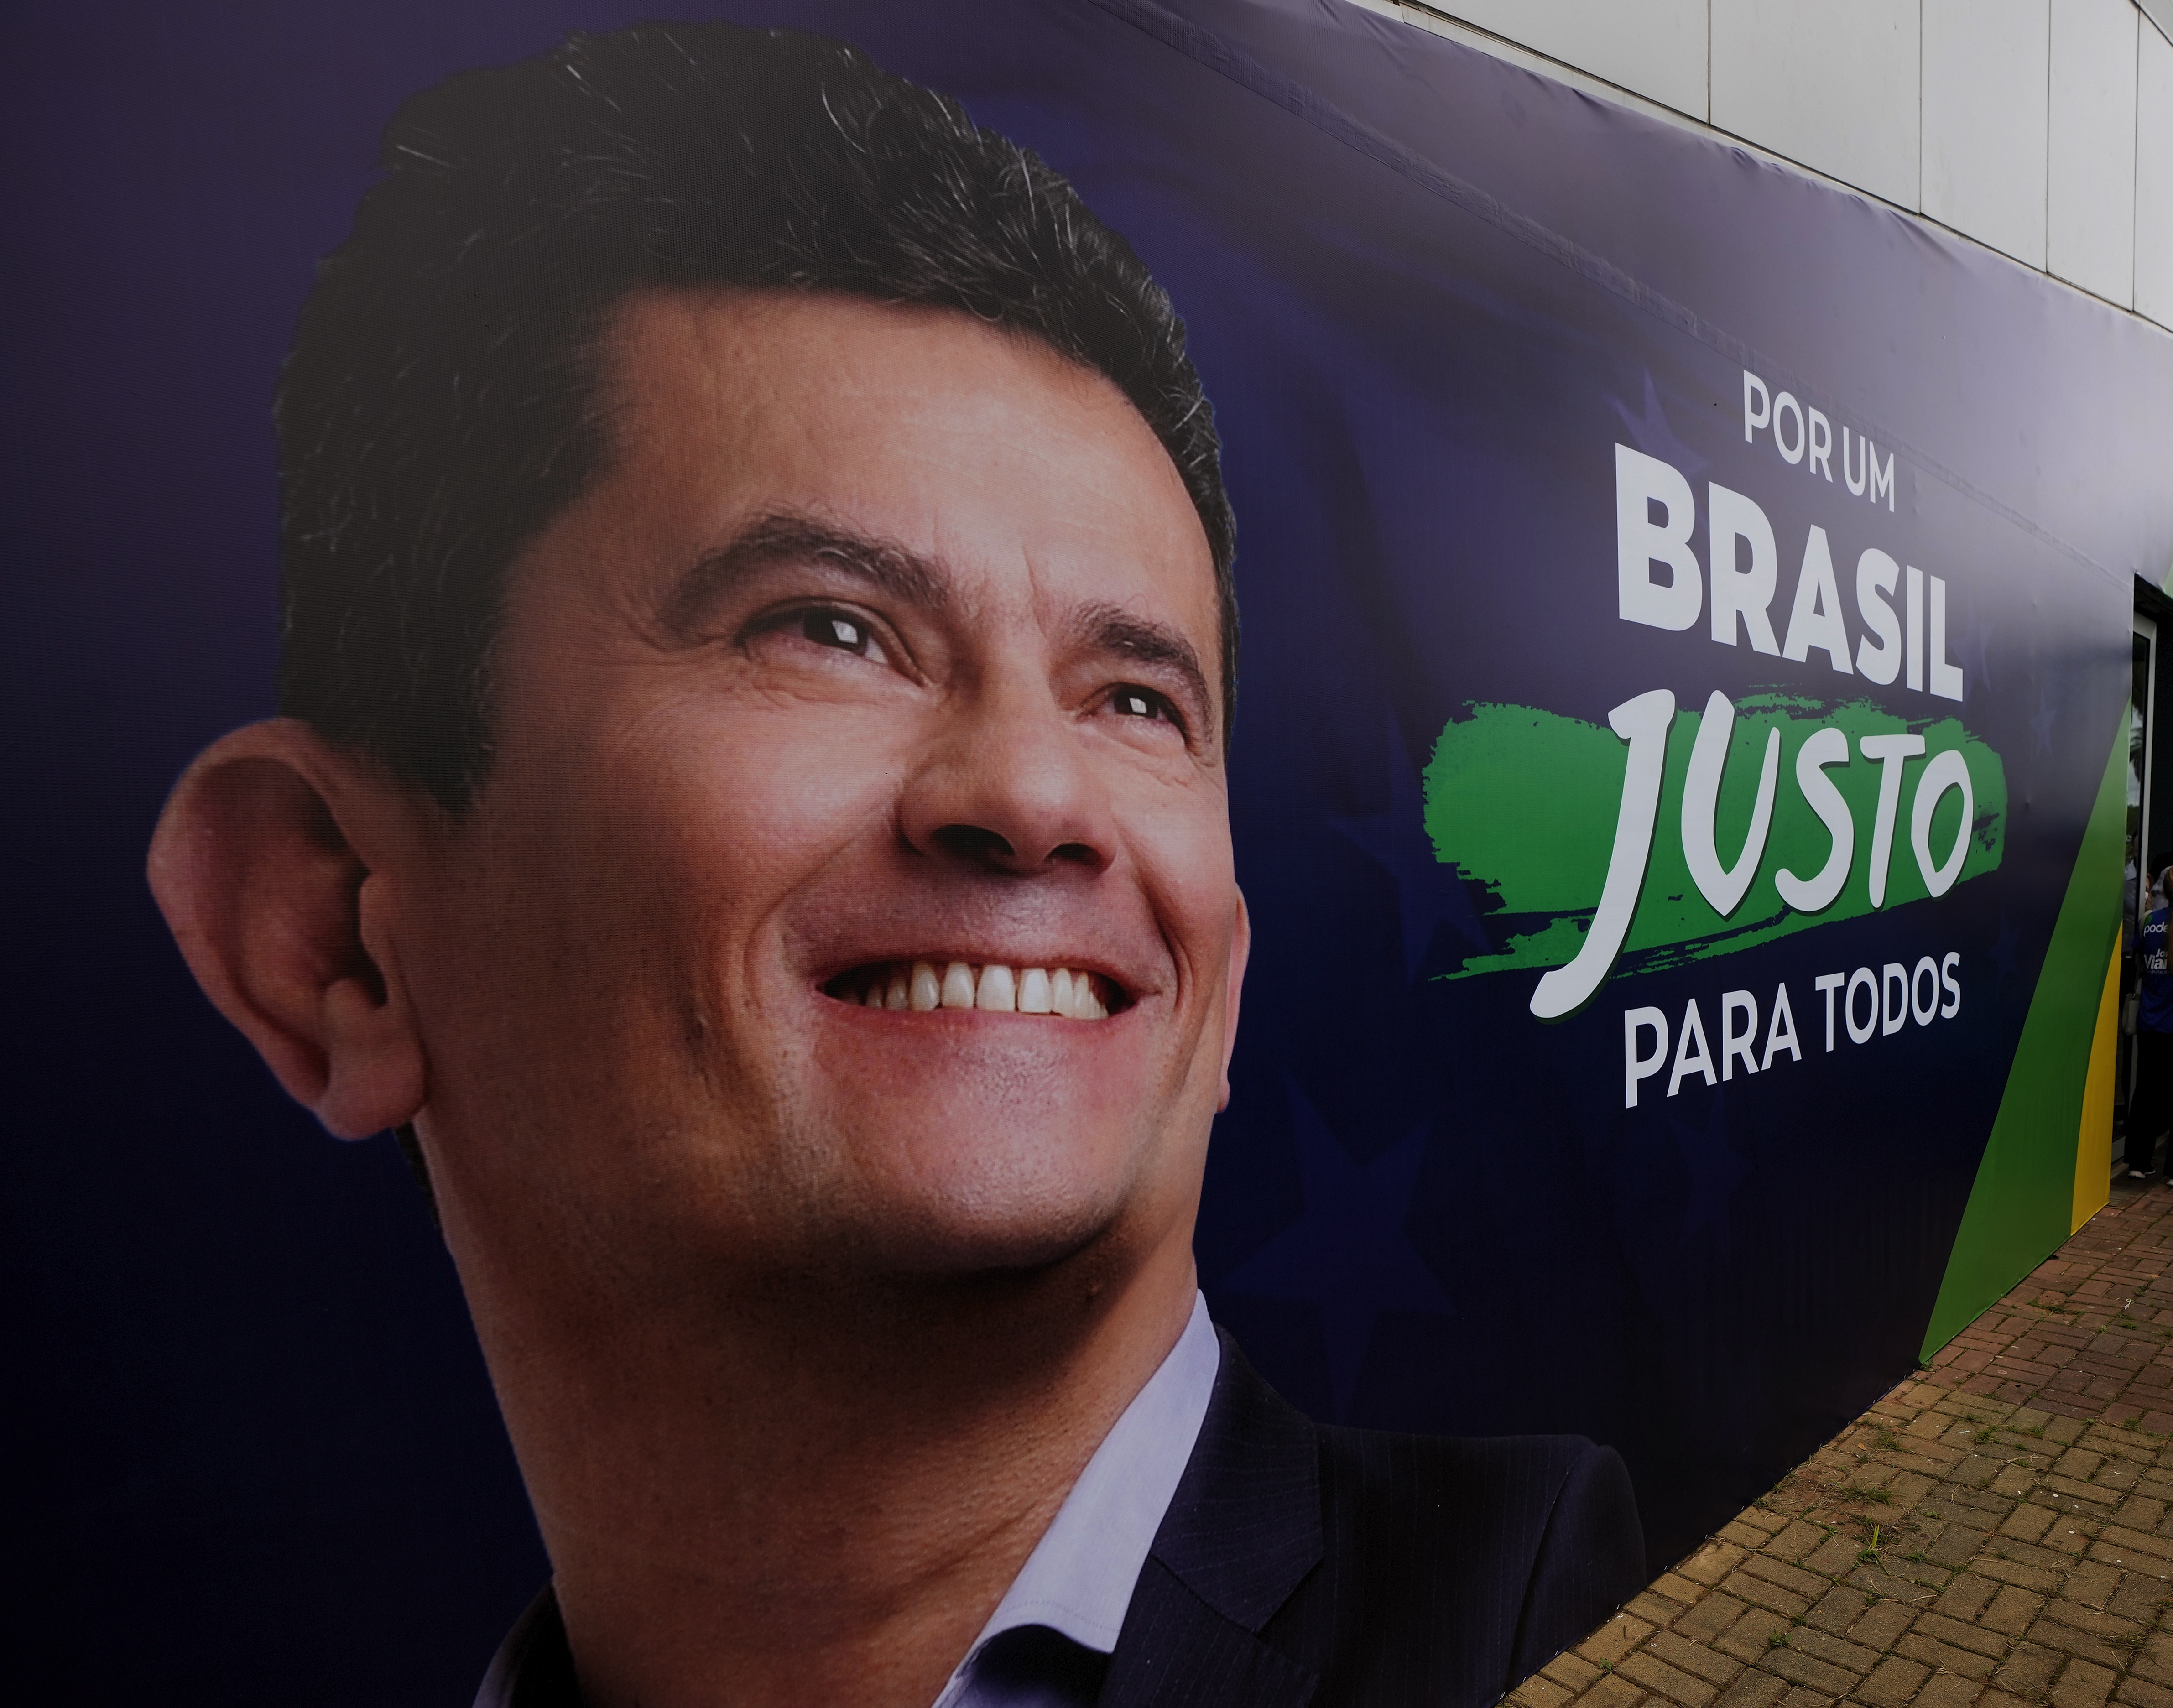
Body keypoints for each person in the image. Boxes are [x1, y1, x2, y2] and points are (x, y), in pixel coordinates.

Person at [144, 25, 1641, 1708]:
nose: (1031, 789)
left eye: (1135, 695)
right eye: (831, 629)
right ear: (331, 933)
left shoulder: (1556, 1614)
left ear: (1219, 985)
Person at [2124, 860, 2173, 1184]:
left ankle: (2137, 1161)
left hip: (2150, 1022)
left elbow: (2139, 962)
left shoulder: (2148, 922)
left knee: (2146, 1094)